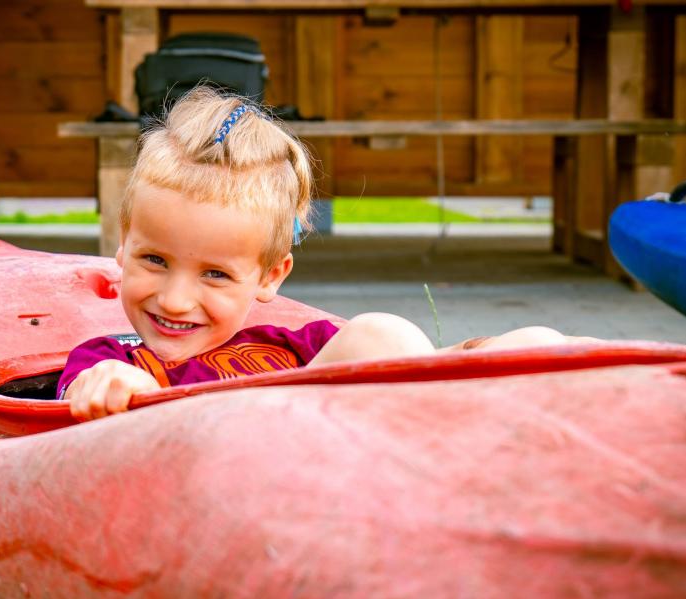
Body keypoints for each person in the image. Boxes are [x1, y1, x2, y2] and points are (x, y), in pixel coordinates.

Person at [60, 86, 589, 421]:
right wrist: (113, 387)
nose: (175, 301)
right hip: (241, 485)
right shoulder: (113, 358)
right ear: (124, 244)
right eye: (155, 260)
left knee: (510, 340)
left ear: (271, 276)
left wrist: (474, 351)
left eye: (216, 274)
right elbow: (73, 398)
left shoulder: (297, 346)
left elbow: (401, 360)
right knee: (383, 336)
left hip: (376, 464)